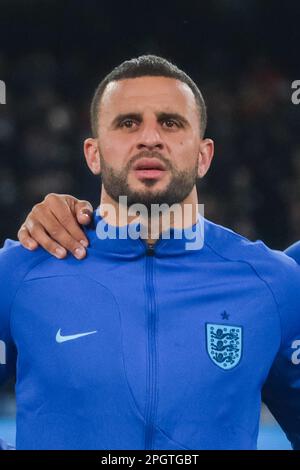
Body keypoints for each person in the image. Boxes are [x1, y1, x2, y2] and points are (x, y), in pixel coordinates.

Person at [1, 55, 300, 450]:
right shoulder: (20, 273)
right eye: (128, 123)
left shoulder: (275, 284)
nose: (150, 138)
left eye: (170, 122)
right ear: (93, 153)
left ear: (204, 155)